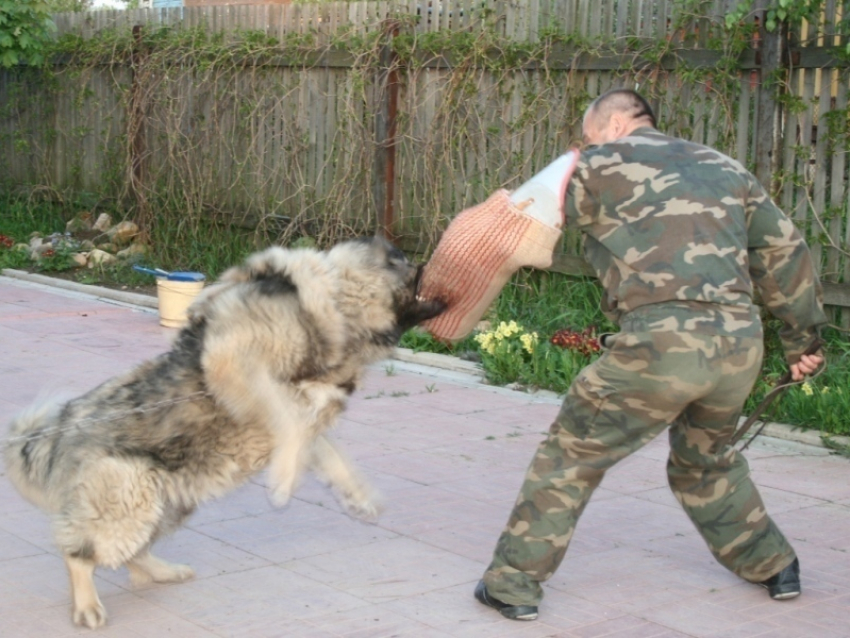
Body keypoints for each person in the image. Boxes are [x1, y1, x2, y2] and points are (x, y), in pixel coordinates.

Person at [474, 88, 827, 621]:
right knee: (704, 462)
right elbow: (784, 250)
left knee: (572, 454)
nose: (582, 146)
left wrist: (452, 297)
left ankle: (512, 583)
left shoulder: (591, 166)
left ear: (615, 124)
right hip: (737, 345)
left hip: (658, 345)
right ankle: (776, 567)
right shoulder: (728, 168)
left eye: (587, 136)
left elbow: (509, 225)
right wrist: (804, 341)